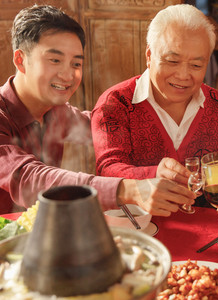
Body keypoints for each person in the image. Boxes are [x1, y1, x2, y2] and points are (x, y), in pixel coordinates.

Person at [0, 4, 195, 215]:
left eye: (76, 64)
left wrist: (169, 146)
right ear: (20, 60)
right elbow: (28, 178)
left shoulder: (57, 113)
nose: (67, 76)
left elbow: (108, 128)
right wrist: (126, 189)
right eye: (55, 60)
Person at [91, 4, 218, 187]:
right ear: (149, 55)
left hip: (206, 214)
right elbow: (107, 171)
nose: (183, 75)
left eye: (196, 66)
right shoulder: (115, 104)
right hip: (138, 216)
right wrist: (154, 174)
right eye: (172, 61)